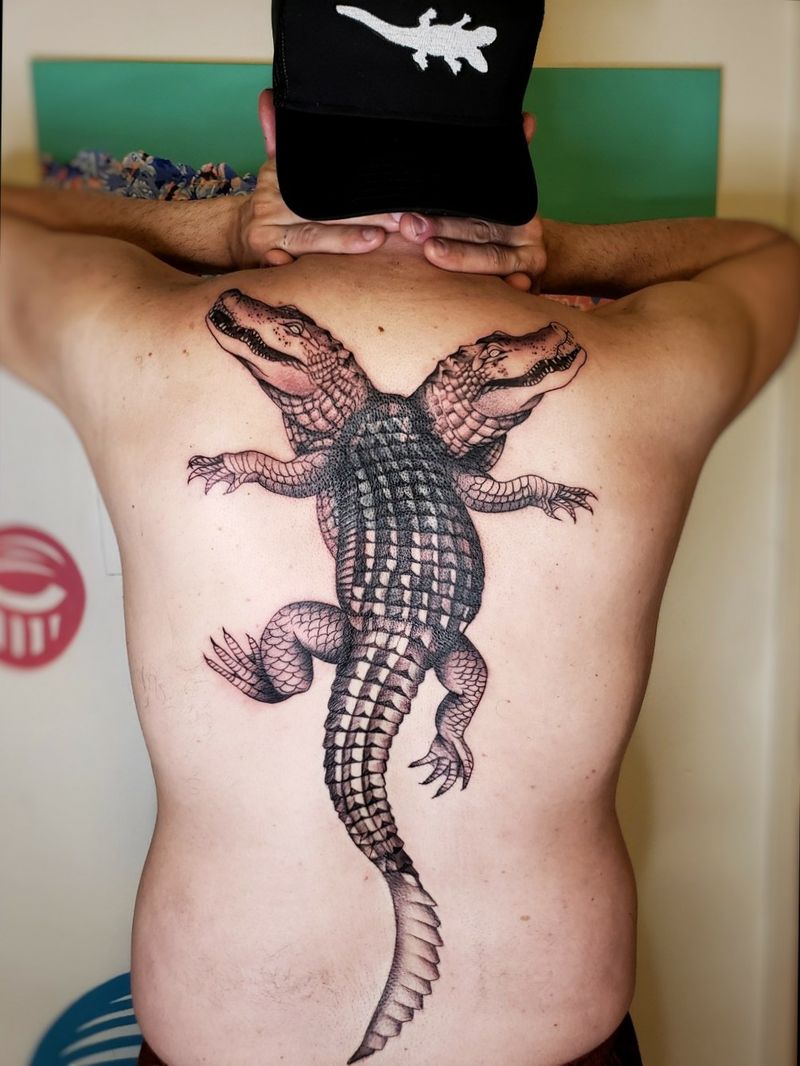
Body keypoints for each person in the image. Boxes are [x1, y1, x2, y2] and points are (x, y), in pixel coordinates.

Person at [2, 48, 799, 1066]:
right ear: (517, 145)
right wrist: (562, 253)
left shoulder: (128, 327)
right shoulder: (652, 358)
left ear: (273, 127)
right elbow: (772, 257)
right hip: (546, 1034)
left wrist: (214, 229)